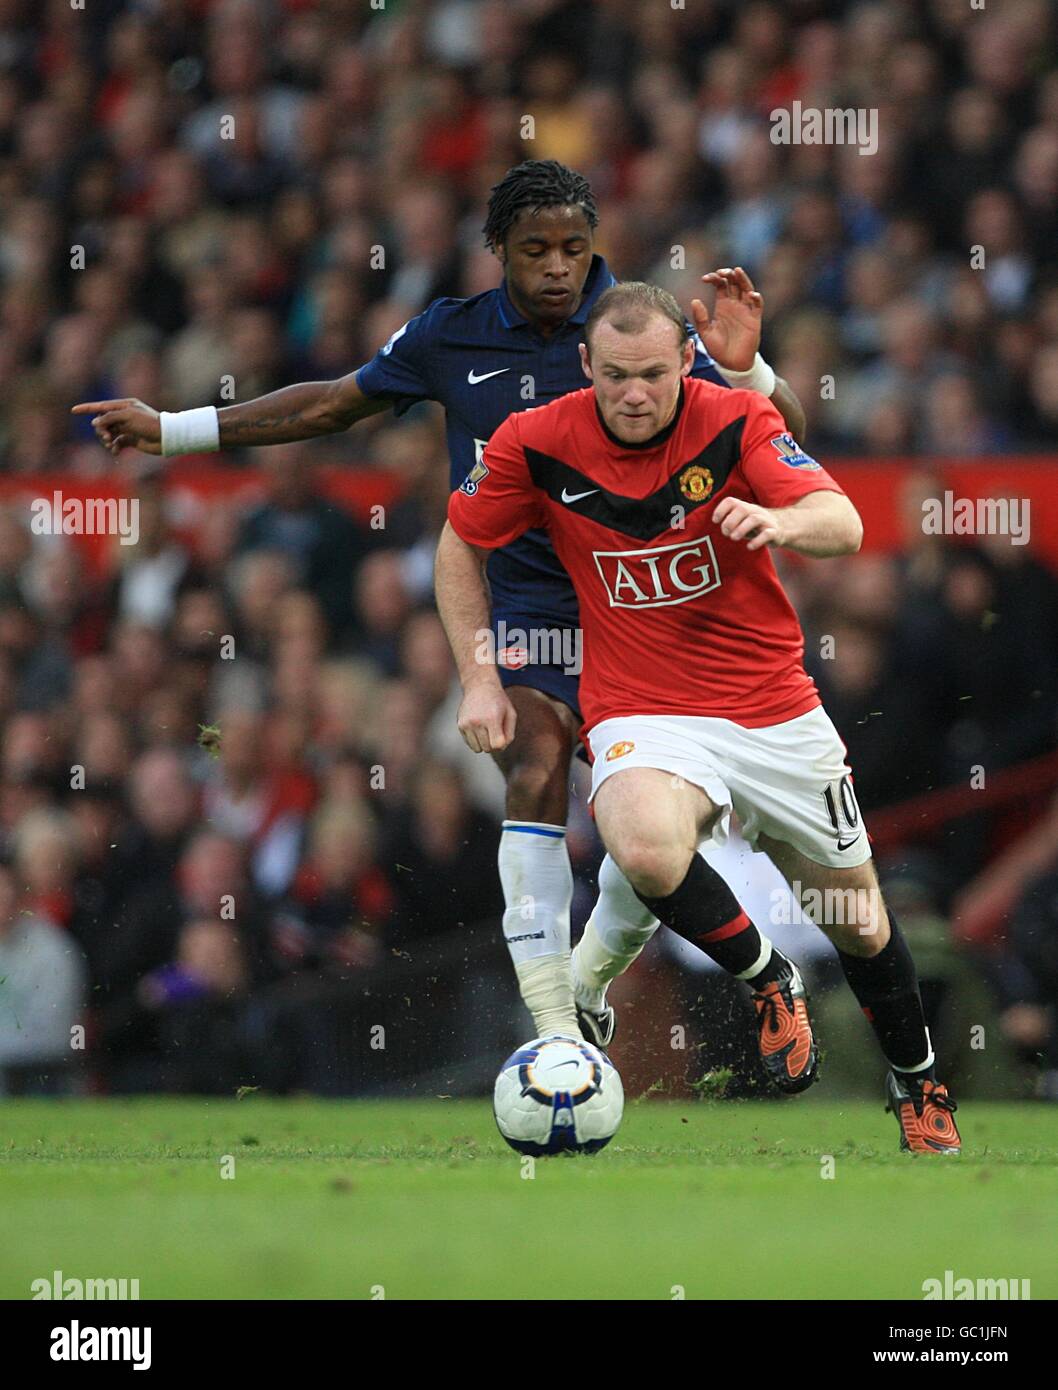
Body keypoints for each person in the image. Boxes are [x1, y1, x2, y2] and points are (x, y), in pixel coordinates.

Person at [72, 159, 806, 1044]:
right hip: (529, 609)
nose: (557, 268)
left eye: (575, 248)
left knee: (641, 836)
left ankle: (587, 983)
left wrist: (753, 369)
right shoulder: (449, 337)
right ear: (498, 249)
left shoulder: (633, 327)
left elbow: (784, 433)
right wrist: (178, 429)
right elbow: (334, 405)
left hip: (637, 609)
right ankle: (555, 1031)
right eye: (535, 249)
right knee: (532, 767)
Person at [436, 280, 961, 1154]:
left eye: (650, 373)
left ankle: (919, 1085)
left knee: (861, 923)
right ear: (584, 367)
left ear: (686, 360)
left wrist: (781, 520)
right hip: (645, 708)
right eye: (613, 376)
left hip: (773, 708)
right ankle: (768, 978)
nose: (632, 394)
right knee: (639, 842)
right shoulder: (536, 439)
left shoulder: (732, 419)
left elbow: (845, 520)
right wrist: (479, 677)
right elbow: (460, 542)